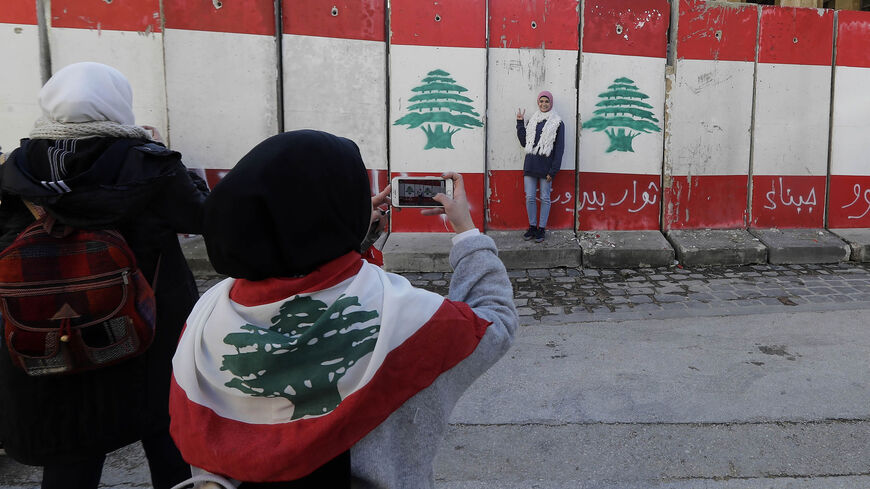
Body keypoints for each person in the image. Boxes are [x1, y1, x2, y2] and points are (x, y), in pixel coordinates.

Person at [168, 129, 518, 488]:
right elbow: (493, 322)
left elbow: (309, 269)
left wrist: (350, 234)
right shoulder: (401, 318)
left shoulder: (204, 317)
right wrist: (466, 231)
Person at [0, 62, 208, 489]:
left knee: (74, 443)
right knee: (166, 433)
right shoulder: (151, 165)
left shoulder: (16, 167)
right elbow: (203, 217)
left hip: (48, 325)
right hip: (148, 324)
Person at [516, 90, 565, 243]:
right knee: (530, 197)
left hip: (546, 168)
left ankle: (541, 229)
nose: (544, 104)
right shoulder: (533, 120)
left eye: (547, 102)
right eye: (541, 101)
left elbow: (559, 149)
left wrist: (554, 170)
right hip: (530, 164)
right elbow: (524, 142)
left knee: (545, 198)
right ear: (538, 103)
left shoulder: (557, 122)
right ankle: (532, 227)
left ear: (551, 103)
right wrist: (520, 123)